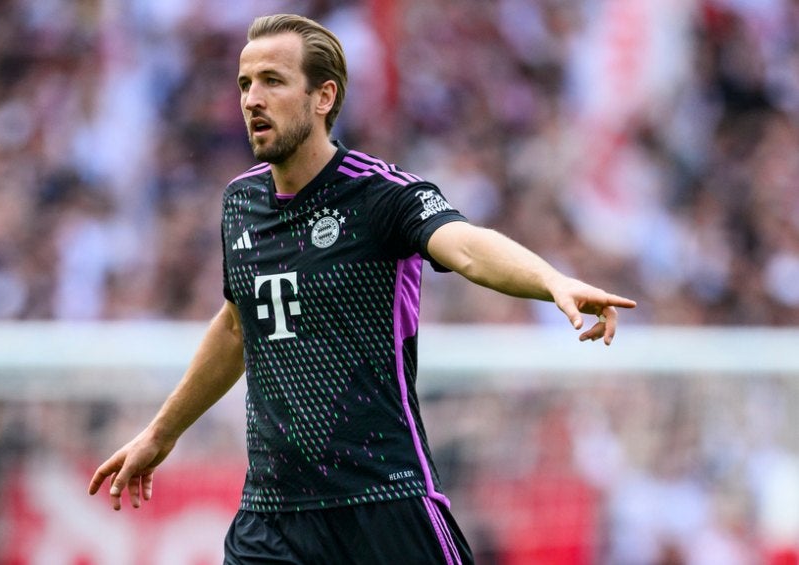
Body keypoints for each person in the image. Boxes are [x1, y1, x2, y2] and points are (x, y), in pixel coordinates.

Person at [89, 13, 636, 564]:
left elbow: (467, 247)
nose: (252, 98)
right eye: (245, 84)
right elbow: (237, 324)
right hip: (273, 515)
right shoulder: (240, 204)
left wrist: (551, 280)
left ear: (323, 96)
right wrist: (161, 434)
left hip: (382, 501)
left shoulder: (380, 196)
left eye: (272, 81)